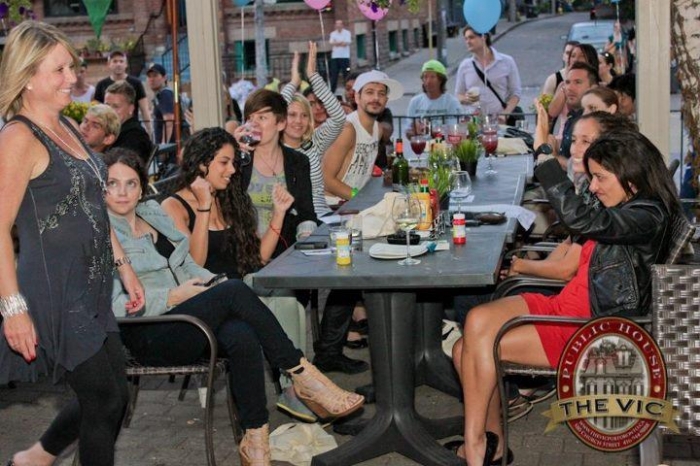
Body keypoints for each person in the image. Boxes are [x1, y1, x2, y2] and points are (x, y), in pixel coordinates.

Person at [104, 149, 364, 465]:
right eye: (112, 183)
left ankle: (255, 439)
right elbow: (112, 305)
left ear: (142, 187)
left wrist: (209, 283)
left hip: (185, 321)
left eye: (130, 183)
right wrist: (173, 296)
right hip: (146, 332)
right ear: (100, 189)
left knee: (240, 332)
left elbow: (185, 263)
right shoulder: (99, 234)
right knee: (235, 291)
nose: (122, 192)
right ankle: (302, 374)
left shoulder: (151, 213)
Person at [452, 129, 680, 465]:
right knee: (474, 322)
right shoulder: (626, 203)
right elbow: (581, 214)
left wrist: (546, 161)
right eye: (592, 177)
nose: (593, 186)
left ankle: (476, 448)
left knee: (467, 348)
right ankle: (491, 444)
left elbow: (579, 218)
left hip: (589, 329)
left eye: (600, 177)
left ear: (631, 178)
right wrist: (564, 155)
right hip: (566, 306)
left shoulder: (647, 216)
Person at [0, 21, 144, 466]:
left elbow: (93, 209)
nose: (73, 78)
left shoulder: (65, 124)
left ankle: (36, 458)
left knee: (113, 395)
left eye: (72, 67)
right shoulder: (18, 137)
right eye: (60, 70)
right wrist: (13, 308)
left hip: (93, 285)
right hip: (56, 290)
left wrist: (124, 266)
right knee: (104, 399)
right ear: (27, 77)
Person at [236, 89, 318, 259]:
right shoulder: (239, 161)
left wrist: (306, 242)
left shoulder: (298, 161)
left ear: (280, 123)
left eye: (262, 118)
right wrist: (233, 152)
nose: (254, 124)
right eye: (250, 118)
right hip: (243, 252)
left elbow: (306, 213)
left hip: (285, 252)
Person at [281, 42, 345, 218]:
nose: (298, 121)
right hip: (292, 223)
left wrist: (313, 76)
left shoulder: (314, 142)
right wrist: (294, 82)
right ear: (281, 119)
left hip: (323, 217)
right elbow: (273, 111)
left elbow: (339, 118)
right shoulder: (273, 149)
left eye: (304, 115)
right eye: (292, 115)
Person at [322, 69, 403, 205]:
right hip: (332, 205)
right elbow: (326, 179)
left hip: (355, 204)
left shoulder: (378, 129)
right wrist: (360, 197)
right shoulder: (347, 129)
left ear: (386, 100)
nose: (376, 98)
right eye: (369, 92)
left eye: (381, 93)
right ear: (357, 97)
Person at [455, 26, 522, 122]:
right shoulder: (465, 65)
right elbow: (459, 94)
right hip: (475, 122)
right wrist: (469, 99)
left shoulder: (506, 61)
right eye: (466, 39)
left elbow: (516, 92)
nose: (468, 42)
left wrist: (505, 114)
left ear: (484, 37)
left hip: (500, 122)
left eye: (471, 37)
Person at [93, 50, 152, 137]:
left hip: (131, 130)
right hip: (108, 131)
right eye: (115, 61)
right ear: (109, 64)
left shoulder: (136, 83)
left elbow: (144, 109)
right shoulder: (101, 85)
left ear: (126, 64)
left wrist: (149, 131)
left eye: (121, 61)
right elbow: (96, 110)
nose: (118, 64)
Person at [405, 59, 463, 135]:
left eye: (432, 77)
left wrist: (429, 130)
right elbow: (408, 131)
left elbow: (453, 131)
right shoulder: (415, 102)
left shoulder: (452, 102)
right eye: (425, 77)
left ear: (441, 80)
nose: (428, 81)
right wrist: (414, 131)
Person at [104, 80, 154, 164]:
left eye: (116, 106)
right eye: (107, 105)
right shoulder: (111, 130)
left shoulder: (135, 136)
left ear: (131, 109)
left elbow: (122, 166)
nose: (110, 111)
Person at [146, 63, 189, 144]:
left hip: (171, 146)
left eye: (155, 76)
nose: (151, 79)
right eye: (149, 76)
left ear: (164, 78)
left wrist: (163, 145)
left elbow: (169, 122)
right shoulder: (162, 95)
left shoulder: (165, 94)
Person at [329, 20, 352, 94]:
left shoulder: (347, 33)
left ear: (342, 25)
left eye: (339, 24)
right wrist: (341, 42)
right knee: (334, 74)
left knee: (347, 73)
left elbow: (346, 43)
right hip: (335, 57)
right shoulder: (333, 34)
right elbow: (331, 42)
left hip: (345, 57)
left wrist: (337, 43)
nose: (338, 26)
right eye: (337, 24)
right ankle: (332, 91)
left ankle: (348, 90)